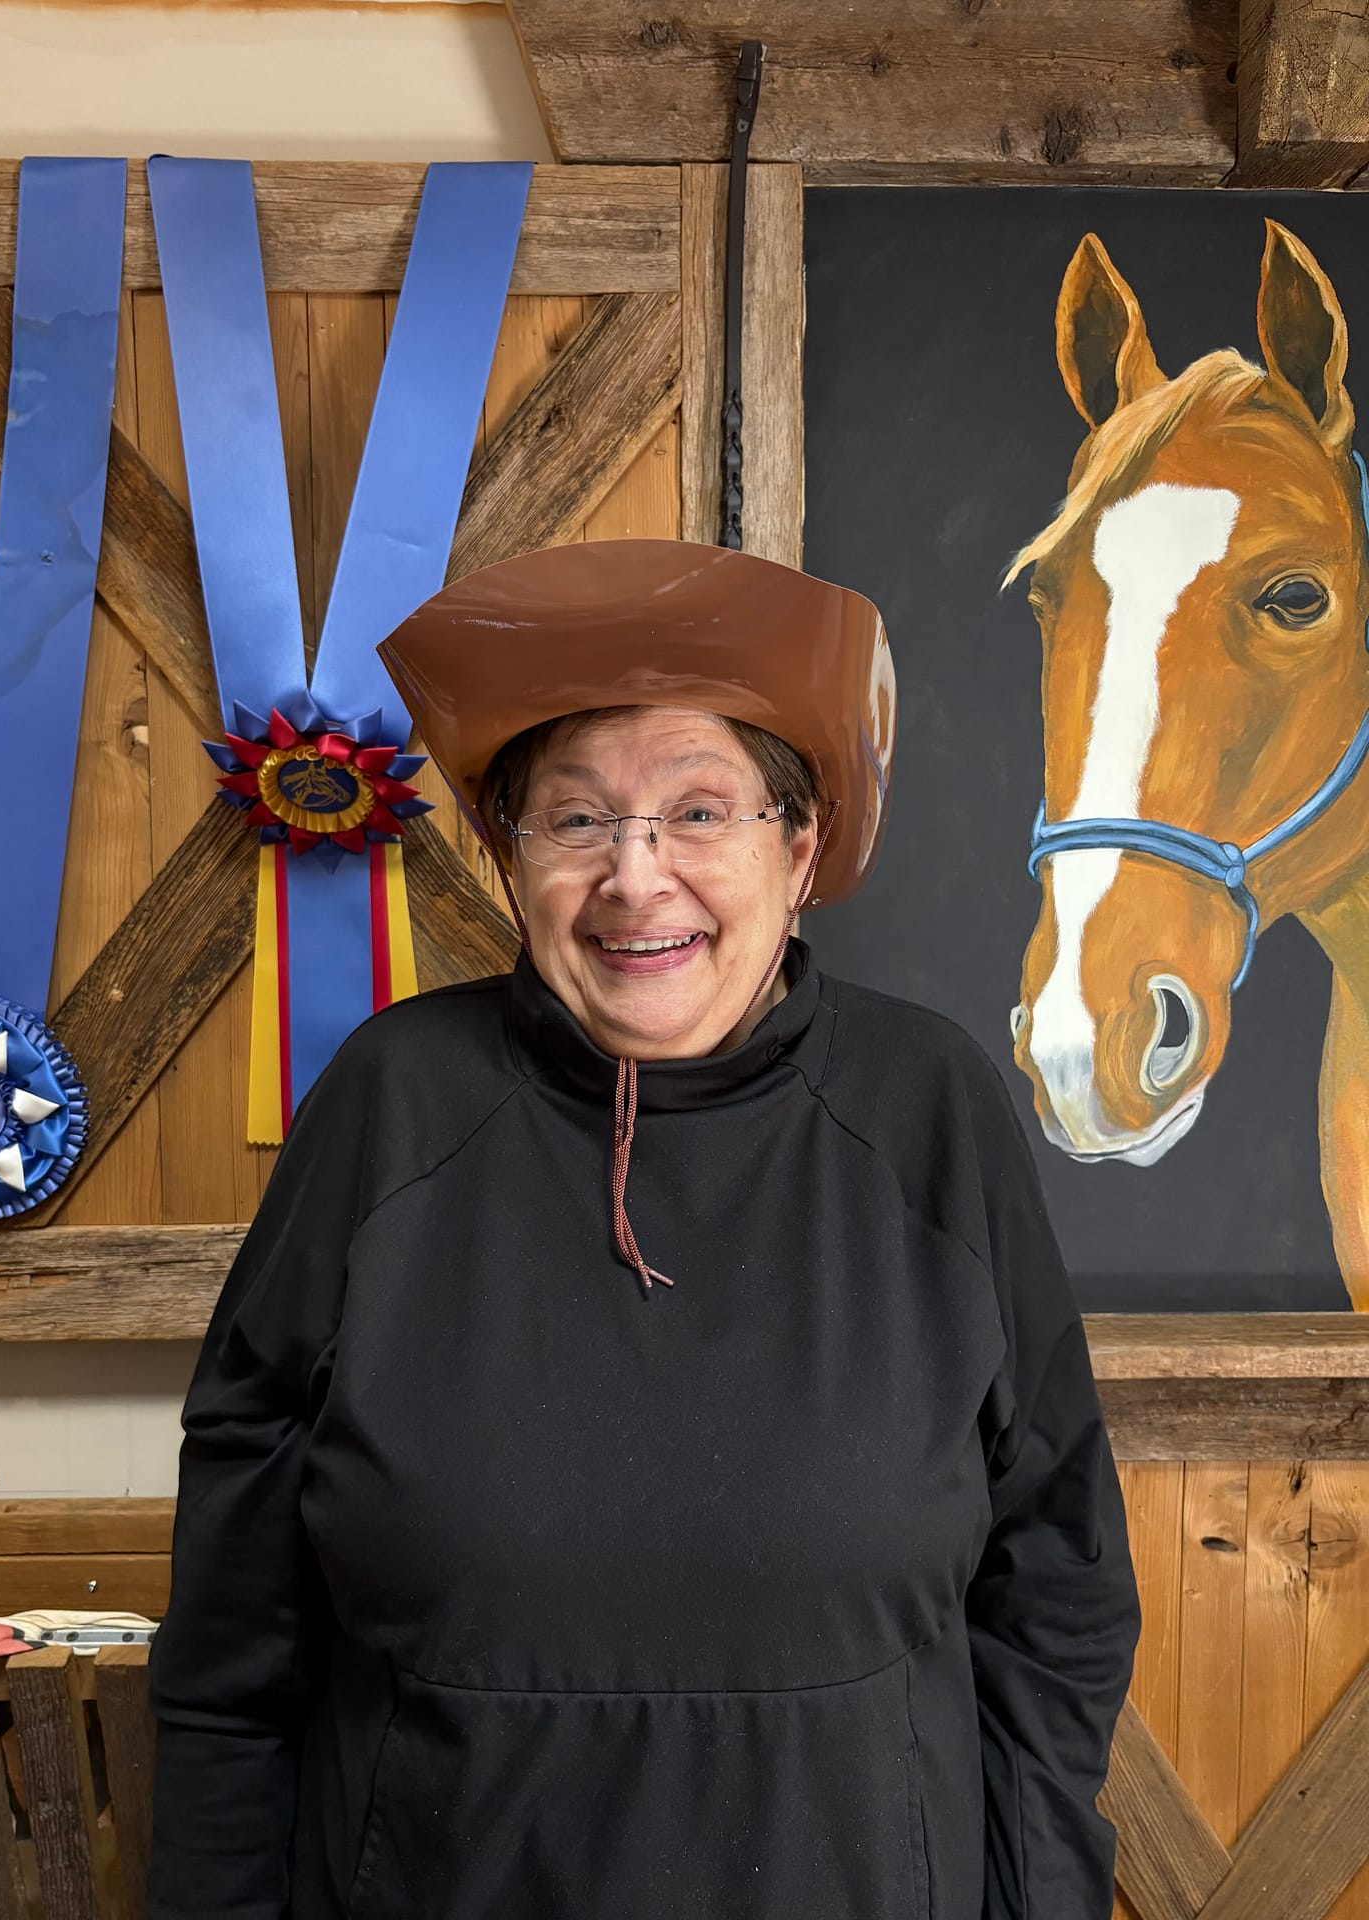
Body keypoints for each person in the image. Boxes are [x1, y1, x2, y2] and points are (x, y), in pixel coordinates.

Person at [145, 537, 1141, 1920]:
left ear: (799, 851)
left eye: (699, 811)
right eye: (575, 820)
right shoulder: (389, 1105)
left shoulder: (933, 1112)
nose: (636, 877)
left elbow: (1059, 1599)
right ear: (506, 855)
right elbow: (230, 1655)